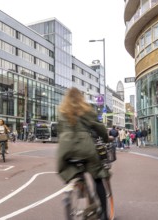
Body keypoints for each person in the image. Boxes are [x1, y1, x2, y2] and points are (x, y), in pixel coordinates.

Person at [56, 87, 110, 220]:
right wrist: (106, 139)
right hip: (86, 146)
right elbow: (99, 127)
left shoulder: (62, 111)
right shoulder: (86, 110)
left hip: (66, 147)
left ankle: (76, 184)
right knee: (98, 177)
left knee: (72, 170)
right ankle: (104, 215)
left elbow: (59, 131)